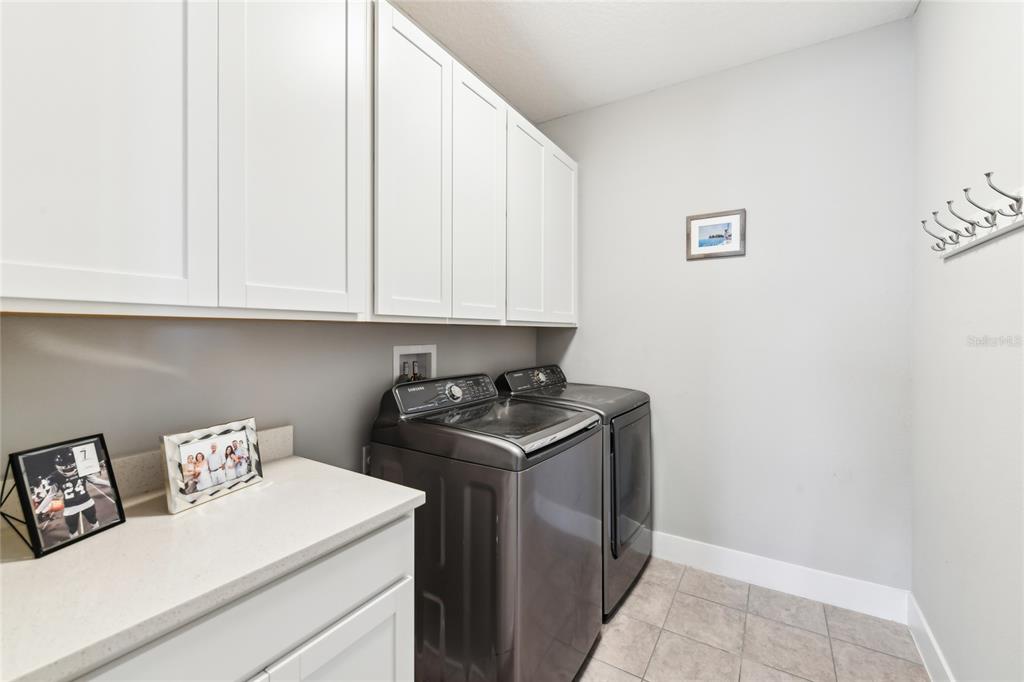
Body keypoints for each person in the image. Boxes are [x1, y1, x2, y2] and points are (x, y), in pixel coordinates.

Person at [33, 450, 112, 539]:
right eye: (66, 468)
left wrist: (38, 511)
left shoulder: (56, 476)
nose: (68, 470)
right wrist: (108, 483)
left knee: (82, 528)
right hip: (80, 505)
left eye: (70, 467)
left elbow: (50, 495)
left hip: (77, 506)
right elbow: (95, 480)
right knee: (82, 527)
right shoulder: (58, 476)